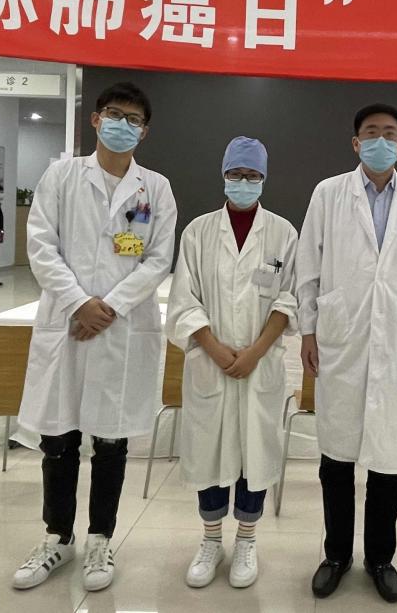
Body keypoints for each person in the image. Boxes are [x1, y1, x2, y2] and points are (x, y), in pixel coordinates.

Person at [13, 82, 176, 594]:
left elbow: (158, 258)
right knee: (59, 438)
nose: (122, 125)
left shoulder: (156, 189)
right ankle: (57, 537)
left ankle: (101, 538)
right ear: (95, 119)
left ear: (144, 131)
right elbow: (41, 245)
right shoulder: (62, 176)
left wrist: (109, 307)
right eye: (114, 114)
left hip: (121, 329)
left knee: (111, 441)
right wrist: (79, 303)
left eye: (134, 119)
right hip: (68, 323)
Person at [296, 103, 397, 603]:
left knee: (388, 457)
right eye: (370, 132)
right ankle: (336, 555)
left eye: (389, 133)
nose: (380, 141)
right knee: (336, 458)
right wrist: (308, 330)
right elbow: (308, 266)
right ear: (355, 142)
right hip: (342, 338)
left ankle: (381, 558)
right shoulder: (328, 193)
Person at [166, 137, 298, 591]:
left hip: (260, 363)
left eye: (252, 175)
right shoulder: (198, 232)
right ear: (224, 175)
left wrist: (256, 351)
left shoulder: (283, 233)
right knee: (210, 451)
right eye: (237, 174)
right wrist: (215, 347)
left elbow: (290, 298)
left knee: (253, 454)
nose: (244, 182)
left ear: (264, 179)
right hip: (211, 361)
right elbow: (184, 299)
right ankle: (209, 540)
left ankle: (246, 539)